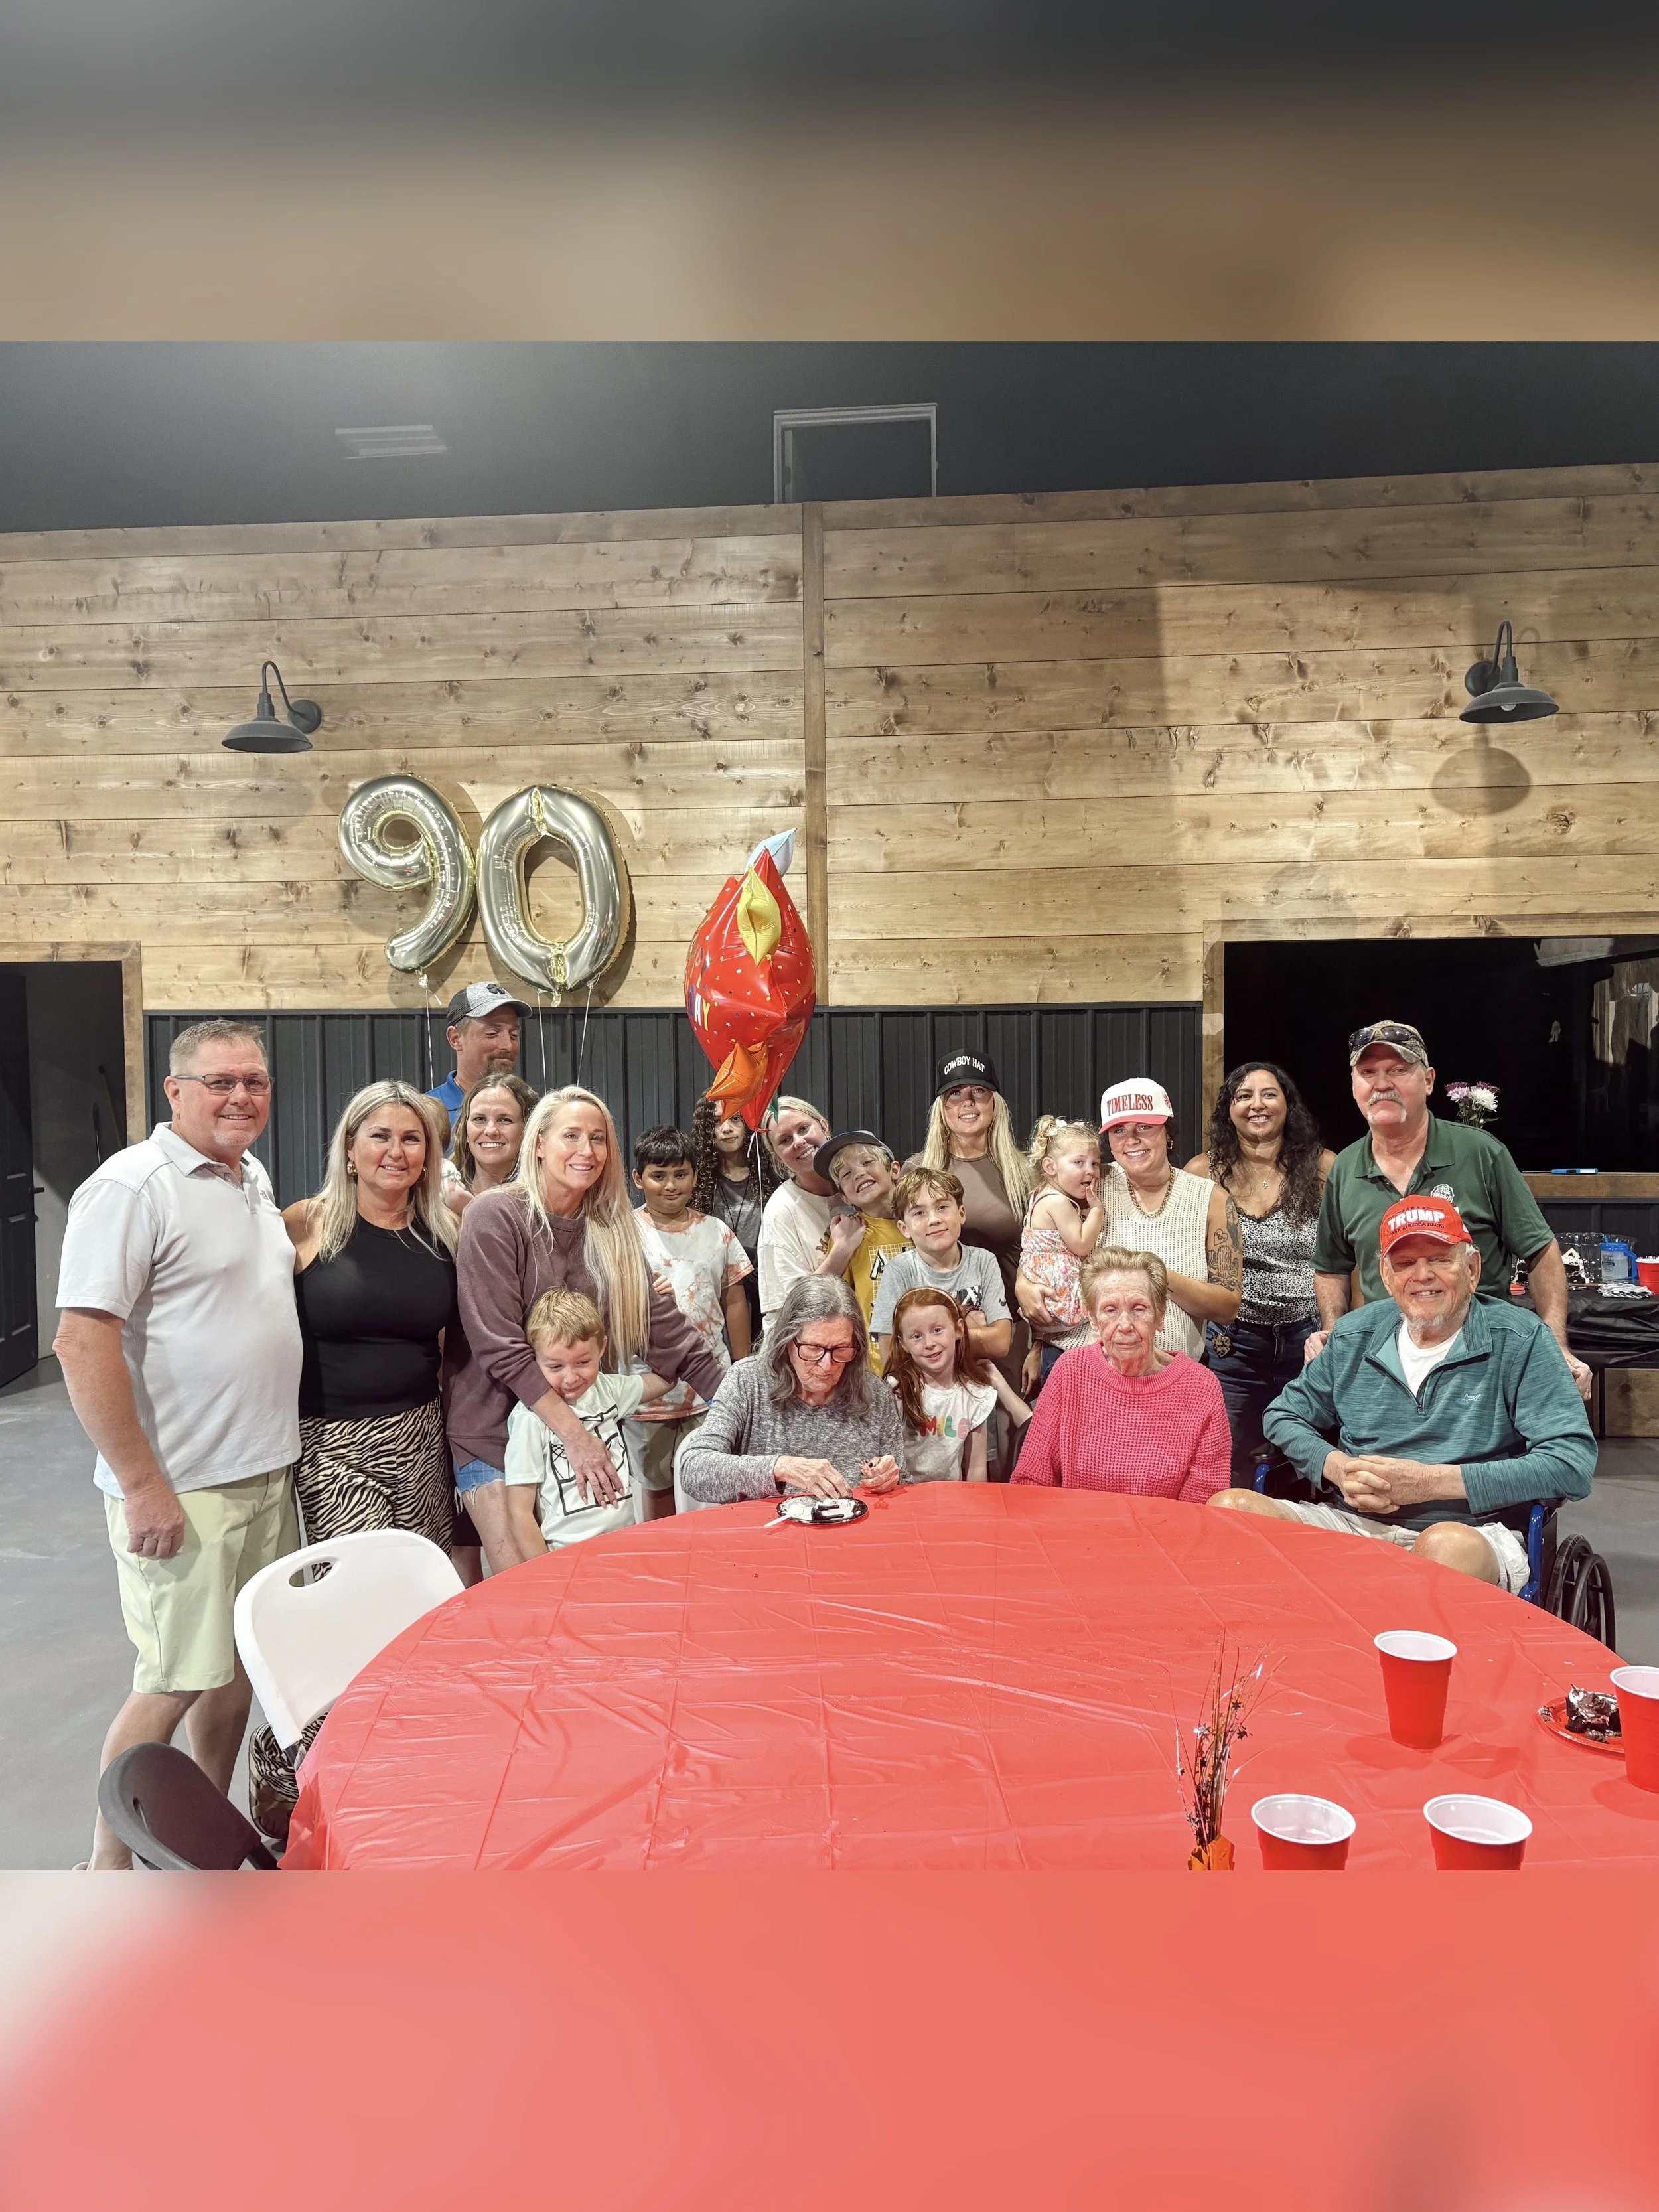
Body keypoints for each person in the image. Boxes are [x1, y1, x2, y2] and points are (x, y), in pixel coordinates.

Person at [53, 1019, 301, 1871]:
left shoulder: (249, 1177)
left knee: (229, 1674)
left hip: (261, 1473)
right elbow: (83, 1339)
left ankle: (194, 1835)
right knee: (169, 1678)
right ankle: (107, 1866)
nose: (241, 1097)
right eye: (220, 1082)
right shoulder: (133, 1187)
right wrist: (141, 1484)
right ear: (175, 1092)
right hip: (184, 1484)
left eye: (255, 1082)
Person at [246, 1078, 459, 1837]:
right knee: (353, 1617)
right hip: (333, 1442)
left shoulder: (444, 1228)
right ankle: (284, 1794)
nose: (396, 1151)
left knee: (417, 1616)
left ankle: (395, 1778)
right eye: (380, 1136)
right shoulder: (306, 1223)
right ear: (349, 1145)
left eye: (412, 1139)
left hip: (420, 1436)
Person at [1212, 1196, 1596, 1588]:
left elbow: (1571, 1462)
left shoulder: (1521, 1339)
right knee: (1229, 1511)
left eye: (1440, 1259)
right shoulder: (1354, 1334)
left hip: (1471, 1532)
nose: (1423, 1275)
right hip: (1351, 1524)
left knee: (1442, 1550)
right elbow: (1283, 1415)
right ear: (1385, 1274)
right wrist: (1337, 1469)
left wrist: (1432, 1482)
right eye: (1406, 1263)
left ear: (1473, 1269)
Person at [446, 1085, 727, 1574]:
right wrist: (576, 1436)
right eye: (571, 1135)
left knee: (596, 1576)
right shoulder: (495, 1214)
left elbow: (669, 1335)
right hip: (496, 1431)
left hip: (584, 1429)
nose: (587, 1150)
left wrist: (744, 1413)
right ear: (539, 1143)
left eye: (598, 1138)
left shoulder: (610, 1228)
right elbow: (500, 1347)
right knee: (526, 1579)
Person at [1309, 1019, 1591, 1398]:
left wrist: (1555, 1343)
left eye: (1398, 1070)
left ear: (1428, 1080)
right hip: (1385, 1365)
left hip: (1484, 1359)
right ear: (1354, 1086)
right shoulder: (1345, 1168)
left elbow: (1540, 1250)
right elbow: (1331, 1267)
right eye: (1368, 1073)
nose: (1381, 1085)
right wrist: (1334, 1334)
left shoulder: (1481, 1153)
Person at [1185, 1062, 1336, 1485]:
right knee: (1234, 1464)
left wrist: (1337, 1335)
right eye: (1243, 1096)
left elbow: (1347, 1260)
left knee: (1309, 1467)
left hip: (1309, 1345)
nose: (1257, 1105)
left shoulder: (1325, 1168)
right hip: (1234, 1345)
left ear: (1288, 1103)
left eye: (1269, 1094)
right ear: (1228, 1109)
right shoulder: (1203, 1172)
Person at [1017, 1080, 1242, 1363]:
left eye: (1145, 1127)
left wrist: (1150, 1274)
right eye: (1119, 1130)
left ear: (1167, 1133)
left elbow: (1227, 1307)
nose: (1131, 1140)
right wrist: (1022, 1284)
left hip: (1172, 1373)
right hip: (1084, 1363)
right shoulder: (1089, 1182)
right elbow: (1042, 1246)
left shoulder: (1210, 1198)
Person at [1013, 1249, 1232, 1501]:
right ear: (1094, 1319)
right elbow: (1031, 1481)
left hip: (1163, 1536)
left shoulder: (1200, 1388)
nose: (1125, 1324)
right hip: (1076, 1533)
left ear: (1160, 1316)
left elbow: (1203, 1504)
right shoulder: (1070, 1371)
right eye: (1110, 1310)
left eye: (1139, 1309)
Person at [906, 1049, 1034, 1464]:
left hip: (1008, 1328)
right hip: (936, 1333)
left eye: (979, 1092)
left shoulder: (1026, 1171)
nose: (968, 1103)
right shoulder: (917, 1170)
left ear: (995, 1102)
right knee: (943, 1446)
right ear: (940, 1108)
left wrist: (1043, 1340)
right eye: (955, 1094)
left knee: (1008, 1443)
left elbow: (1053, 1256)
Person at [678, 1275, 904, 1503]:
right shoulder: (748, 1381)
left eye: (841, 1349)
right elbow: (694, 1469)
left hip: (851, 1532)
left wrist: (890, 1478)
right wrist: (780, 1467)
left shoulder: (873, 1392)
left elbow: (902, 1484)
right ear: (787, 1341)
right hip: (765, 1532)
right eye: (813, 1348)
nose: (827, 1365)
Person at [629, 1123, 753, 1518]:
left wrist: (741, 1365)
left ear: (696, 1176)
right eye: (658, 1175)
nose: (670, 1186)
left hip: (710, 1387)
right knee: (657, 1486)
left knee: (712, 1485)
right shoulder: (624, 1234)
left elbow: (734, 1299)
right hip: (648, 1390)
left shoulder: (716, 1232)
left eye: (681, 1174)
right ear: (638, 1179)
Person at [504, 1290, 673, 1556]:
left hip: (625, 1545)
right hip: (567, 1555)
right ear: (533, 1359)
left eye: (583, 1362)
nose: (571, 1378)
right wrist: (547, 1576)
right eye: (556, 1367)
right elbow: (519, 1511)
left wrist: (662, 1311)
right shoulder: (529, 1418)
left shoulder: (607, 1390)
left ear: (602, 1348)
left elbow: (666, 1378)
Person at [871, 1166, 1012, 1370]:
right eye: (919, 1212)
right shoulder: (899, 1270)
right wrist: (971, 1328)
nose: (934, 1219)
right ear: (904, 1229)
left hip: (979, 1388)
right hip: (921, 1394)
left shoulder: (983, 1261)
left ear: (961, 1214)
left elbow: (1000, 1343)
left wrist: (921, 1339)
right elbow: (891, 1355)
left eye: (942, 1207)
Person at [1018, 1117, 1106, 1390]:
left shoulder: (1039, 1195)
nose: (1090, 1171)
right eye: (1078, 1163)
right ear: (1050, 1167)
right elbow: (1081, 1245)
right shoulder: (1058, 1202)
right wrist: (1097, 1212)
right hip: (1060, 1301)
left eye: (1094, 1163)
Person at [691, 1096, 782, 1347]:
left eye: (735, 1119)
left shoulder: (772, 1176)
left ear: (750, 1124)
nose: (727, 1129)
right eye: (717, 1122)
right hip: (720, 1297)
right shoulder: (697, 1183)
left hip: (769, 1292)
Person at [884, 1288, 1001, 1482]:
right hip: (903, 1498)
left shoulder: (976, 1395)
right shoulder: (895, 1390)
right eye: (916, 1336)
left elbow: (977, 1468)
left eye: (937, 1330)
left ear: (958, 1329)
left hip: (950, 1502)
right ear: (903, 1343)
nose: (929, 1343)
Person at [812, 1131, 909, 1361]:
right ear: (845, 1197)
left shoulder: (923, 1221)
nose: (859, 1173)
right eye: (846, 1174)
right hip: (877, 1366)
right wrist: (842, 1249)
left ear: (894, 1170)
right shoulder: (848, 1234)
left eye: (867, 1162)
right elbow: (816, 1297)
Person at [757, 1096, 837, 1327]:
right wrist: (841, 1250)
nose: (799, 1142)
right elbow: (794, 1307)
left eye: (804, 1128)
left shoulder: (859, 1185)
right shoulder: (781, 1211)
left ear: (824, 1126)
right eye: (785, 1140)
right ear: (778, 1158)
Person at [426, 981, 528, 1134]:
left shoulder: (532, 1111)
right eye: (493, 1033)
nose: (508, 1045)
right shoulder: (424, 1114)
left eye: (514, 1035)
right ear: (455, 1038)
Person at [443, 1072, 540, 1217]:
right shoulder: (439, 1196)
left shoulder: (546, 1204)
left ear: (528, 1130)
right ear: (465, 1131)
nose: (491, 1130)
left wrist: (468, 1211)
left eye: (505, 1120)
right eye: (480, 1119)